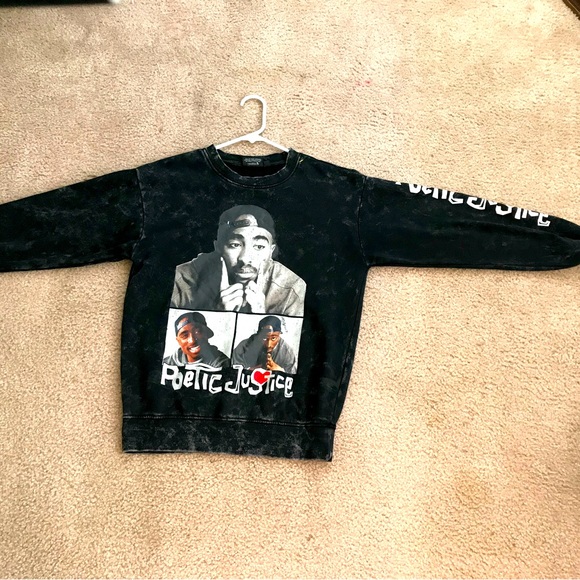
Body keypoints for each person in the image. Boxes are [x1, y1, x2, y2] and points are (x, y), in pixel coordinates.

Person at [171, 205, 306, 316]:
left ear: (271, 251)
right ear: (218, 248)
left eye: (259, 247)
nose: (245, 259)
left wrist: (259, 319)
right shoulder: (183, 279)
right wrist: (216, 315)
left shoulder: (291, 289)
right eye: (235, 245)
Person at [232, 316, 297, 374]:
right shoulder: (244, 346)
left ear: (279, 335)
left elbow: (294, 376)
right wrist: (249, 370)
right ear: (258, 335)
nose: (269, 344)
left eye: (273, 338)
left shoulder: (287, 352)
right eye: (264, 338)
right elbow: (232, 369)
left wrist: (279, 371)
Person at [163, 312, 230, 368]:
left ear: (206, 333)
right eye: (185, 335)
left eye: (197, 332)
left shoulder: (222, 364)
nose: (192, 341)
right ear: (178, 341)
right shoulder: (167, 364)